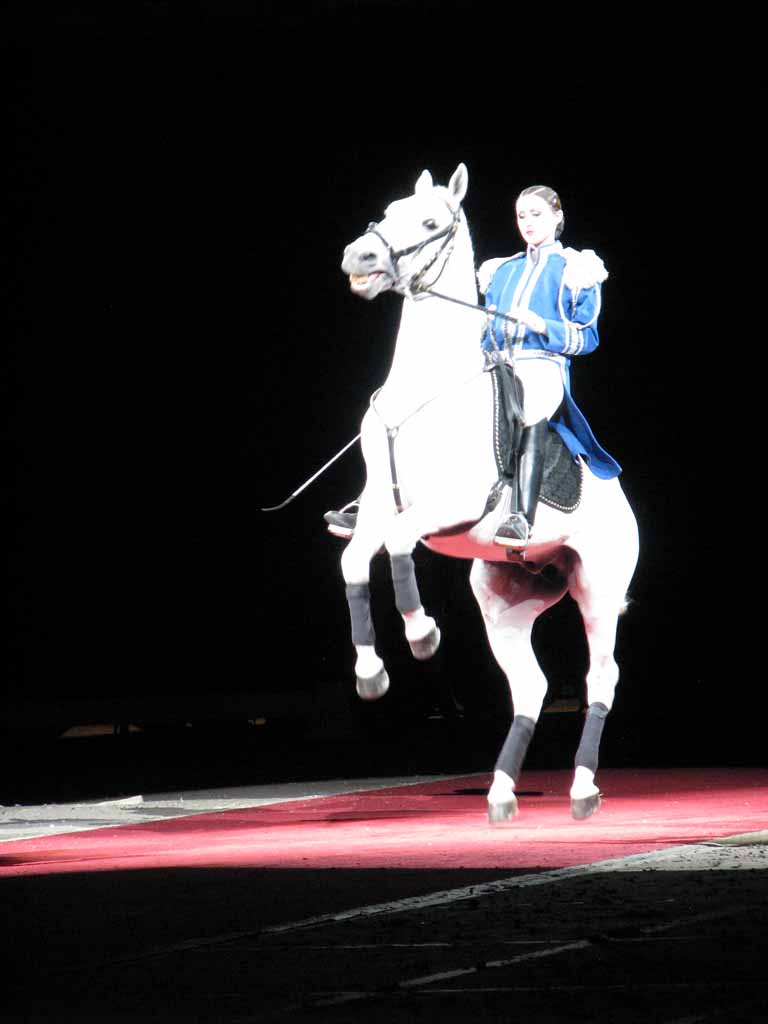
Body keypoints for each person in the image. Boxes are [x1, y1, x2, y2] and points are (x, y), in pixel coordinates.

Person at [324, 184, 620, 546]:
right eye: (521, 215)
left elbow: (586, 338)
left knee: (530, 407)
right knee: (418, 396)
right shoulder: (502, 270)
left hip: (541, 366)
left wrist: (542, 325)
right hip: (495, 362)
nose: (527, 222)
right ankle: (374, 501)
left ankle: (520, 515)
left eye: (536, 215)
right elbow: (487, 330)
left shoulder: (577, 269)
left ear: (557, 217)